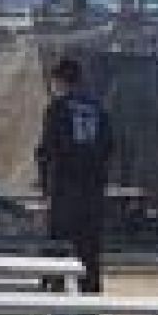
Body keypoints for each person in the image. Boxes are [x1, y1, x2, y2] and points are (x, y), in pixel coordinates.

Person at [36, 57, 113, 297]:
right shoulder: (99, 109)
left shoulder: (57, 108)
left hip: (64, 194)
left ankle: (53, 312)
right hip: (92, 195)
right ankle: (89, 314)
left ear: (60, 81)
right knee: (89, 255)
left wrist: (45, 186)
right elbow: (109, 147)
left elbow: (47, 150)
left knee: (56, 252)